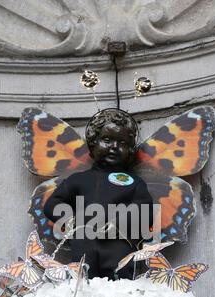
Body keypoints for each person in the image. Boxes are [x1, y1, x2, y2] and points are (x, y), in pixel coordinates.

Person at [44, 108, 154, 279]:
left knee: (120, 284)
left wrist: (120, 223)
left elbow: (145, 211)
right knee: (82, 284)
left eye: (123, 143)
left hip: (119, 245)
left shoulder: (135, 183)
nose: (114, 147)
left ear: (131, 149)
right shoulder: (79, 180)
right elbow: (52, 204)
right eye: (107, 140)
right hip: (84, 242)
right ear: (93, 143)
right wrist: (70, 220)